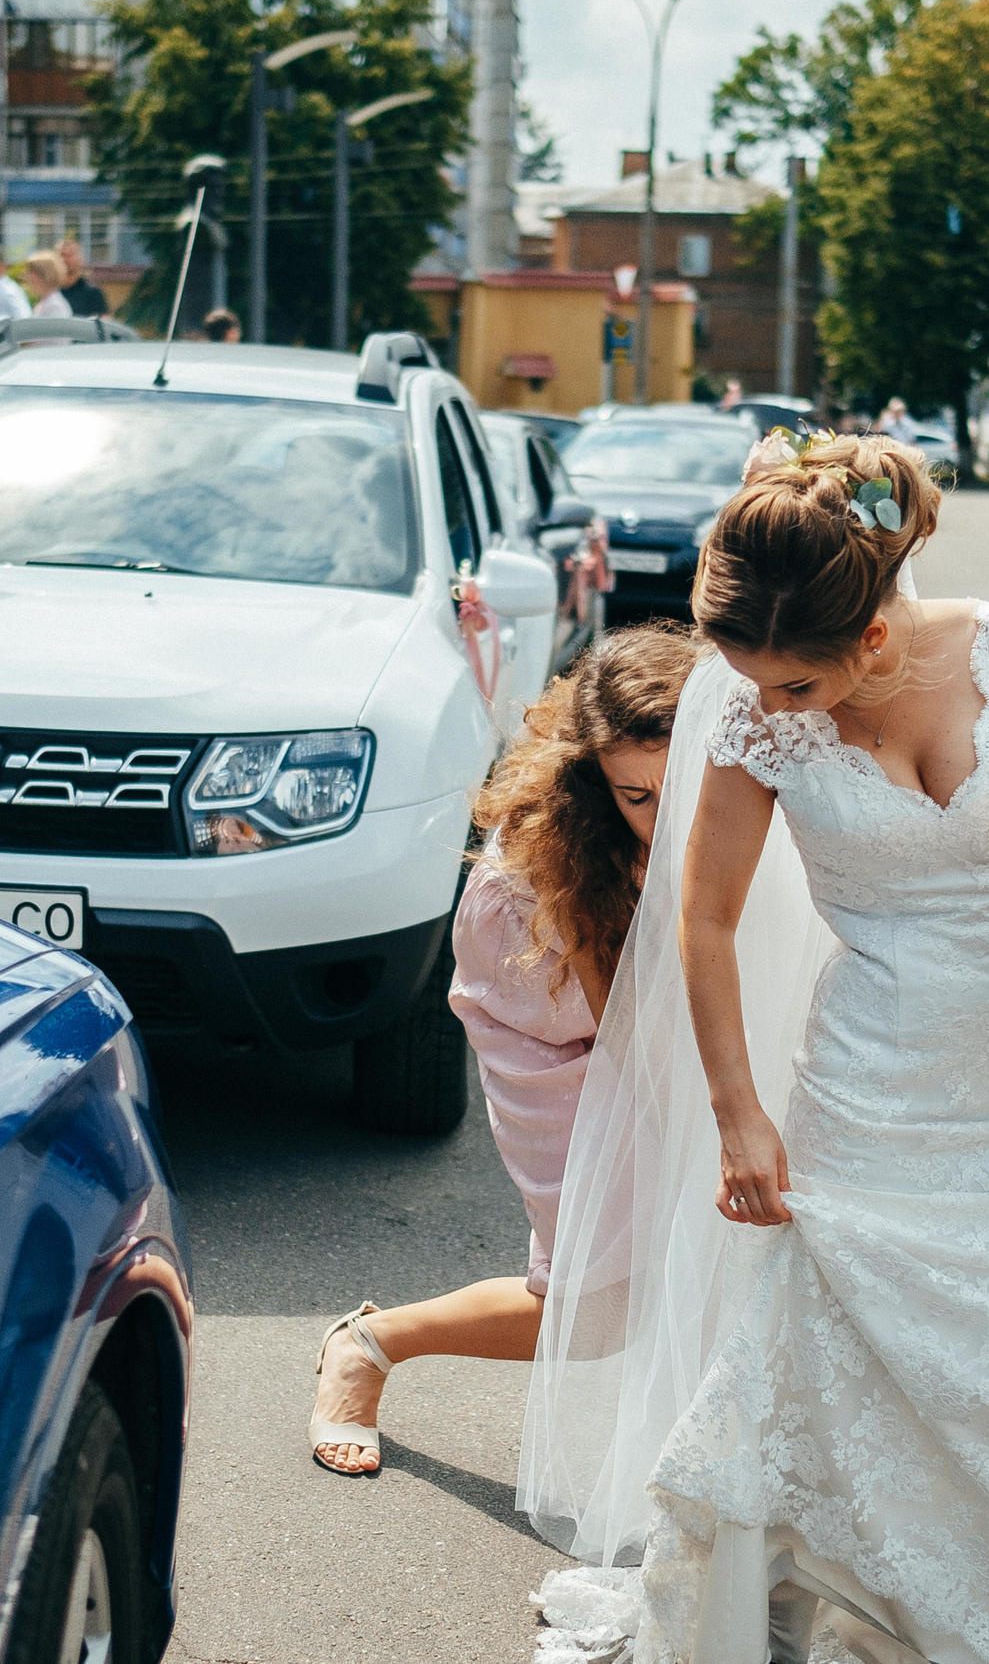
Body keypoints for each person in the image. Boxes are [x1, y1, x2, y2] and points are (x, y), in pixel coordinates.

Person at [527, 431, 989, 1664]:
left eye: (793, 687)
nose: (764, 708)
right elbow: (704, 920)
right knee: (838, 1382)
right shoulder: (754, 722)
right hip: (868, 1103)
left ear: (870, 638)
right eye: (749, 681)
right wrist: (738, 1116)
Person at [307, 627, 702, 1478]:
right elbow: (632, 1035)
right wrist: (716, 1141)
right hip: (548, 1024)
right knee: (597, 1303)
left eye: (684, 787)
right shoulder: (566, 855)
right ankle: (370, 1343)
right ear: (593, 779)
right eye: (637, 796)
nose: (664, 817)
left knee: (699, 1259)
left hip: (655, 1012)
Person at [52, 237, 105, 319]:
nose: (64, 259)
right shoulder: (50, 291)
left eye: (69, 255)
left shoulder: (92, 293)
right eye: (61, 255)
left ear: (80, 258)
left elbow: (104, 321)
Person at [22, 249, 71, 318]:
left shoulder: (55, 306)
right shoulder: (44, 303)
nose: (27, 276)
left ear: (43, 274)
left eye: (31, 271)